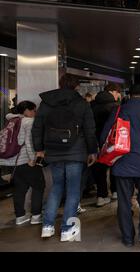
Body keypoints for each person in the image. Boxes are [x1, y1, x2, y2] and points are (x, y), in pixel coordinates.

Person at [32, 74, 98, 242]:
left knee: (56, 187)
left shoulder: (46, 103)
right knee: (73, 190)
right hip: (76, 152)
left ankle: (47, 226)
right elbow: (90, 131)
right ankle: (67, 229)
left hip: (53, 151)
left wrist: (39, 149)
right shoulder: (82, 103)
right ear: (76, 86)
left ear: (60, 84)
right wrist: (92, 151)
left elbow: (37, 128)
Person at [101, 84, 140, 247]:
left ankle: (128, 238)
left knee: (124, 200)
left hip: (122, 165)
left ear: (129, 96)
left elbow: (104, 137)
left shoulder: (118, 112)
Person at [0, 101, 44, 226]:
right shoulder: (28, 122)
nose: (34, 113)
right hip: (26, 160)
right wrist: (33, 159)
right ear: (26, 111)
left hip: (13, 163)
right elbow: (29, 142)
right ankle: (36, 216)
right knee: (38, 186)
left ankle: (20, 216)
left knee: (19, 189)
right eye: (33, 110)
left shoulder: (11, 121)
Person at [91, 82, 122, 207]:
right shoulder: (116, 106)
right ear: (113, 91)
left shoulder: (92, 105)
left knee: (99, 169)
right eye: (117, 93)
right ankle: (115, 191)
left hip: (96, 141)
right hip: (112, 142)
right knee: (115, 164)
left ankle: (101, 196)